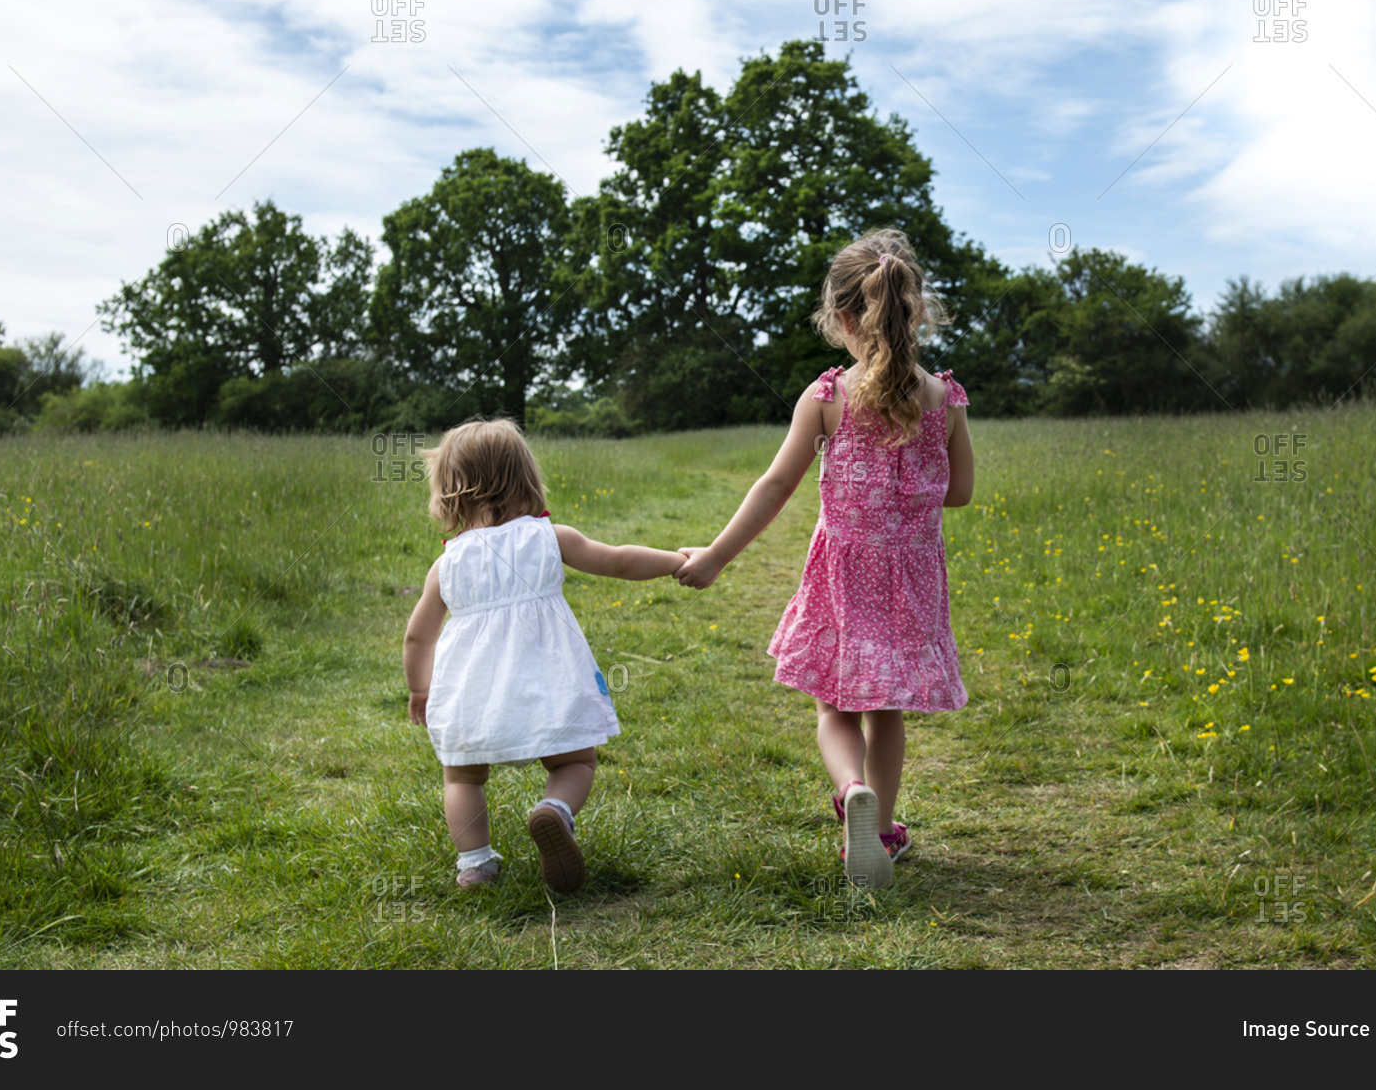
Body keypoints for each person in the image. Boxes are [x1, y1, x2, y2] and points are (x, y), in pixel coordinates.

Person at [675, 229, 974, 889]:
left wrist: (718, 556)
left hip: (842, 578)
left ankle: (851, 791)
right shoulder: (945, 400)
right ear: (915, 310)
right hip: (912, 580)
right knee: (885, 710)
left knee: (831, 707)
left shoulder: (827, 397)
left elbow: (775, 486)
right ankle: (885, 830)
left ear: (843, 319)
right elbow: (961, 493)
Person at [403, 418, 685, 891]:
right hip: (548, 683)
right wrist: (677, 561)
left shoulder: (446, 563)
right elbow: (618, 560)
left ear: (449, 493)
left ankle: (474, 864)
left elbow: (418, 636)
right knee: (574, 762)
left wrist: (419, 689)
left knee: (463, 778)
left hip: (471, 694)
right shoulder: (549, 537)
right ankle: (554, 810)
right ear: (526, 479)